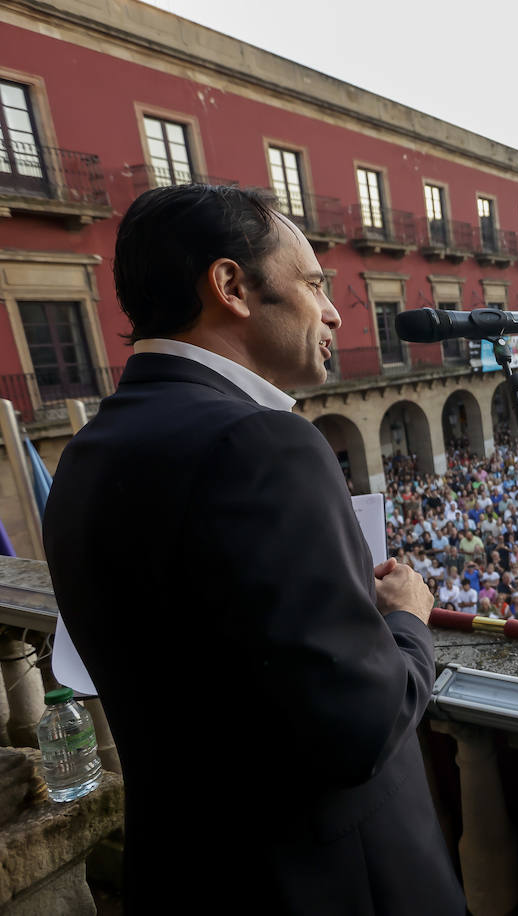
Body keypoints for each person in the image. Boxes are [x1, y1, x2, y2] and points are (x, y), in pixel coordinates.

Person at [42, 186, 464, 912]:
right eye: (312, 284)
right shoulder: (264, 442)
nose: (332, 312)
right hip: (325, 886)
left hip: (186, 872)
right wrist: (407, 620)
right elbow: (360, 728)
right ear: (232, 285)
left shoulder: (86, 453)